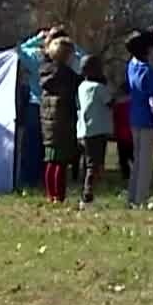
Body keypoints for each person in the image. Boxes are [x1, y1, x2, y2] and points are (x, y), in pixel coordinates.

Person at [124, 29, 153, 208]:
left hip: (134, 117)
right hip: (148, 121)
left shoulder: (131, 66)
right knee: (146, 162)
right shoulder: (149, 73)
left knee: (138, 159)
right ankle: (141, 198)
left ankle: (132, 195)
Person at [38, 37, 80, 204]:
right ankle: (59, 195)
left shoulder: (45, 72)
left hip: (48, 124)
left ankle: (50, 194)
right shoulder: (67, 75)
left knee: (50, 161)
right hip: (62, 123)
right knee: (60, 163)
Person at [76, 55, 112, 207]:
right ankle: (87, 195)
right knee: (94, 165)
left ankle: (85, 190)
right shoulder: (99, 88)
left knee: (87, 163)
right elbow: (110, 102)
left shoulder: (81, 87)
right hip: (98, 131)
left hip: (83, 130)